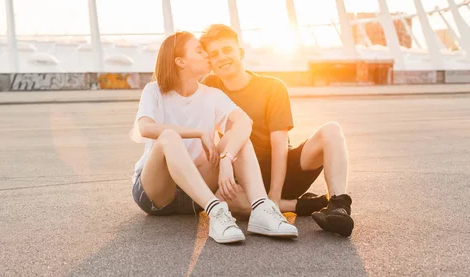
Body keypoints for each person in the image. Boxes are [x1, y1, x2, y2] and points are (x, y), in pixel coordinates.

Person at [130, 31, 299, 244]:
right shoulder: (154, 90)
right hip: (157, 192)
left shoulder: (212, 95)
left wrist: (227, 158)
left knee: (239, 137)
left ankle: (261, 208)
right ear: (180, 61)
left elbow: (244, 122)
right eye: (199, 51)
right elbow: (145, 128)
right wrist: (198, 133)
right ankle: (216, 212)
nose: (208, 55)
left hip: (197, 193)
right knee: (168, 137)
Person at [199, 24, 354, 237]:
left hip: (284, 171)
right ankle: (300, 205)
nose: (222, 57)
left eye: (227, 50)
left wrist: (273, 194)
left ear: (240, 53)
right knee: (222, 200)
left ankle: (338, 205)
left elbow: (279, 145)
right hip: (243, 173)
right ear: (209, 62)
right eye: (214, 54)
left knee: (331, 130)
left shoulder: (272, 87)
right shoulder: (210, 85)